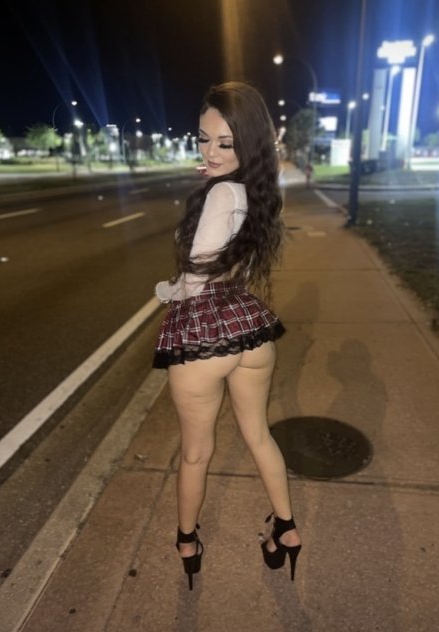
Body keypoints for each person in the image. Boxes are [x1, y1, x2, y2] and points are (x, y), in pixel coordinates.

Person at [154, 81, 301, 590]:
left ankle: (187, 543)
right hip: (251, 329)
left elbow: (195, 278)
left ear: (248, 143)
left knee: (196, 453)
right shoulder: (260, 191)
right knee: (258, 434)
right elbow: (240, 263)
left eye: (225, 143)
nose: (210, 152)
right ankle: (286, 529)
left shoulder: (220, 193)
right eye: (203, 139)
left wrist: (166, 291)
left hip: (204, 336)